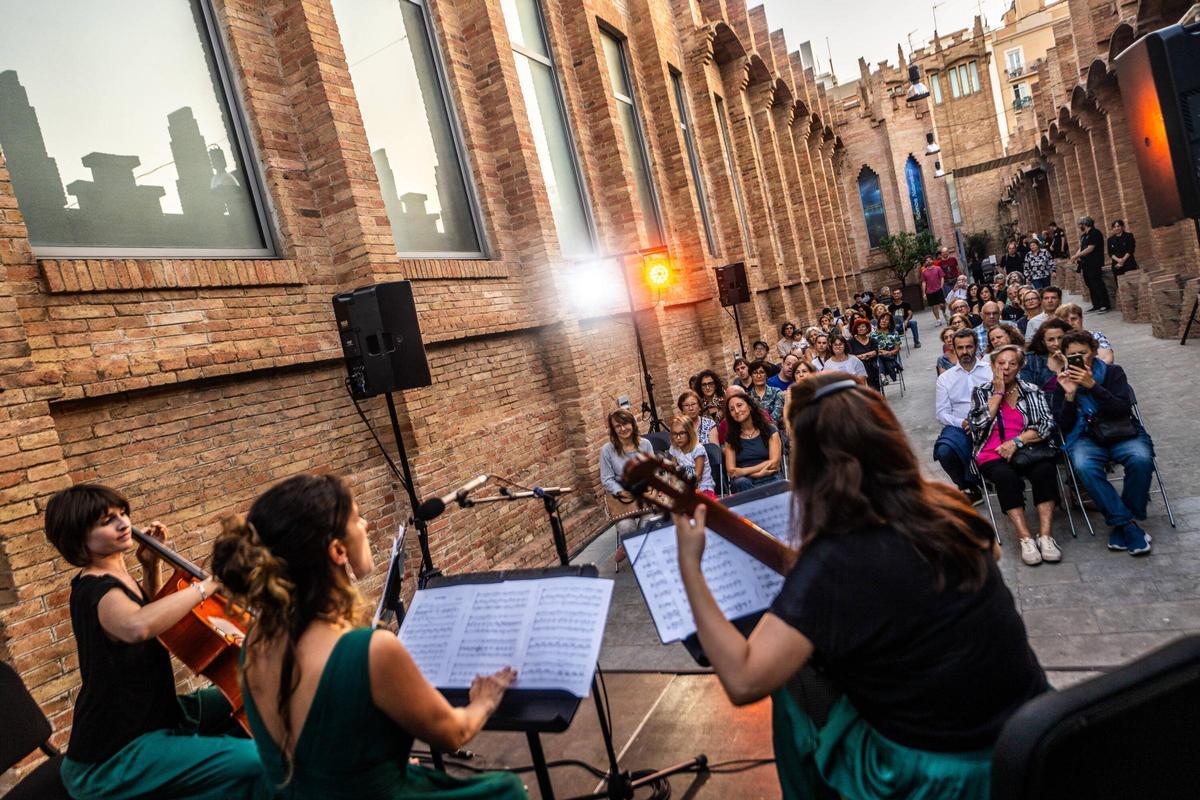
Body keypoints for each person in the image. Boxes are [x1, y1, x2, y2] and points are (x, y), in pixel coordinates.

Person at [673, 373, 1049, 799]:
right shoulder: (946, 507)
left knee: (794, 686)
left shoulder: (836, 560)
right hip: (1033, 738)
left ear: (809, 462)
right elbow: (969, 562)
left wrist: (690, 565)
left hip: (943, 776)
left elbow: (743, 681)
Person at [211, 474, 527, 800]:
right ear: (337, 550)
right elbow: (454, 733)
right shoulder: (370, 651)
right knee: (508, 791)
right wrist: (484, 701)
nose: (366, 525)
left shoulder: (254, 642)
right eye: (356, 517)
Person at [43, 485, 266, 800]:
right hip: (111, 757)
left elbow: (150, 615)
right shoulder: (95, 591)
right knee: (253, 760)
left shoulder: (117, 580)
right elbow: (138, 626)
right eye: (107, 521)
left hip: (158, 715)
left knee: (257, 688)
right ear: (79, 536)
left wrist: (151, 566)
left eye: (123, 514)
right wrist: (211, 584)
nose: (124, 524)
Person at [1051, 331, 1154, 554]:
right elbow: (1062, 424)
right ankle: (1127, 524)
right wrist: (1069, 396)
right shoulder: (1062, 381)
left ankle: (1122, 523)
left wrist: (1092, 386)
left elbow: (1122, 409)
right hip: (1085, 437)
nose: (1079, 359)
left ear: (1095, 352)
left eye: (1083, 353)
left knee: (1141, 459)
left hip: (1120, 431)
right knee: (1084, 466)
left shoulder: (1112, 373)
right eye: (1072, 356)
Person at [968, 346, 1062, 566]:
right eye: (1000, 363)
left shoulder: (1031, 390)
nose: (1006, 368)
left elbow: (1047, 424)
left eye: (1012, 363)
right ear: (992, 366)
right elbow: (978, 426)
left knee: (1045, 470)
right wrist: (998, 393)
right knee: (1005, 477)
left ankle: (1046, 536)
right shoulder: (981, 392)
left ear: (1020, 367)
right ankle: (1025, 537)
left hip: (1027, 450)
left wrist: (1017, 442)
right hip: (992, 454)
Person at [934, 330, 994, 504]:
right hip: (961, 425)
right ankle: (967, 486)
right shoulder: (945, 378)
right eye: (960, 348)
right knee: (944, 451)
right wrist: (962, 422)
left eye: (969, 347)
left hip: (991, 421)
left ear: (976, 347)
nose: (965, 351)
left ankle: (991, 476)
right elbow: (942, 412)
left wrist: (984, 419)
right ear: (953, 349)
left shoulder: (990, 371)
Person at [600, 408, 656, 561]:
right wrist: (620, 491)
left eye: (626, 424)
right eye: (618, 426)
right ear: (613, 429)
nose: (623, 428)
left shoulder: (645, 444)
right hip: (621, 499)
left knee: (649, 521)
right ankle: (635, 549)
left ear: (633, 423)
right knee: (626, 526)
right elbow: (606, 479)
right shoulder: (607, 450)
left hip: (643, 495)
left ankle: (628, 548)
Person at [722, 392, 782, 492]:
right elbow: (732, 472)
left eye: (739, 405)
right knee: (741, 483)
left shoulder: (769, 430)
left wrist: (743, 471)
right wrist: (756, 473)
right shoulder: (731, 438)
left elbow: (774, 463)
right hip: (745, 480)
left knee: (776, 481)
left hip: (769, 475)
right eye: (732, 409)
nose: (736, 411)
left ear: (750, 407)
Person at [668, 415, 716, 497]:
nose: (678, 437)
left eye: (682, 433)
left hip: (703, 488)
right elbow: (673, 471)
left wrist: (680, 482)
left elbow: (698, 477)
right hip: (685, 489)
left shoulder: (698, 449)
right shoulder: (674, 448)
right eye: (675, 434)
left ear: (690, 433)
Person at [1072, 216, 1112, 312]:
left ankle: (1104, 304)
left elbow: (1090, 248)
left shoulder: (1095, 233)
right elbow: (1081, 248)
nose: (1079, 227)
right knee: (1089, 284)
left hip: (1094, 262)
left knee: (1097, 283)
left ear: (1085, 224)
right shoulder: (1084, 236)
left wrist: (1077, 256)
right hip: (1085, 264)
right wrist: (1075, 256)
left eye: (1080, 225)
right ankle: (1096, 304)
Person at [1022, 318, 1072, 390]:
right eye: (1051, 340)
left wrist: (1067, 363)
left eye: (1060, 338)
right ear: (1043, 342)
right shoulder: (1031, 360)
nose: (1057, 343)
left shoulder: (1076, 356)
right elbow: (1027, 389)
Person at [846, 317, 881, 390]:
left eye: (863, 326)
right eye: (858, 327)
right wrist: (866, 355)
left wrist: (862, 356)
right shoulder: (850, 342)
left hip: (872, 365)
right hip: (856, 368)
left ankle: (874, 394)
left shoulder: (872, 340)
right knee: (864, 365)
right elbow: (850, 357)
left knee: (871, 368)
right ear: (856, 329)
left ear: (867, 328)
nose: (861, 329)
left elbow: (875, 352)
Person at [747, 360, 785, 427]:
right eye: (755, 373)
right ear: (751, 376)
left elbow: (776, 417)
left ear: (767, 375)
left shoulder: (777, 393)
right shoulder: (747, 397)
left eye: (762, 372)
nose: (758, 376)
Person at [874, 311, 903, 382]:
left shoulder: (894, 333)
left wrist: (888, 353)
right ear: (879, 320)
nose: (884, 321)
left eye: (887, 320)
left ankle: (882, 375)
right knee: (878, 357)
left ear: (890, 323)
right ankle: (882, 376)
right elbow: (872, 348)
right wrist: (880, 352)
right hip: (878, 356)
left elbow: (897, 348)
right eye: (882, 319)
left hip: (890, 356)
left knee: (881, 358)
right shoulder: (873, 334)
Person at [1107, 219, 1138, 285]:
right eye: (1114, 227)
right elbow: (1110, 253)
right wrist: (1118, 260)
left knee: (1133, 282)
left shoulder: (1129, 236)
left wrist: (1123, 260)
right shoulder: (1110, 240)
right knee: (1120, 285)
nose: (1116, 228)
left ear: (1122, 227)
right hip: (1117, 264)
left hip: (1128, 262)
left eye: (1118, 226)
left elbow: (1131, 249)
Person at [920, 257, 946, 326]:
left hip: (938, 289)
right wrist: (924, 293)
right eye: (926, 260)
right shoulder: (924, 271)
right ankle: (938, 320)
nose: (928, 261)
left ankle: (944, 312)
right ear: (925, 262)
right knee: (934, 306)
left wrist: (941, 286)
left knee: (942, 304)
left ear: (932, 260)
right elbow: (923, 282)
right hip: (930, 291)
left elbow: (942, 277)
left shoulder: (938, 268)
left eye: (929, 259)